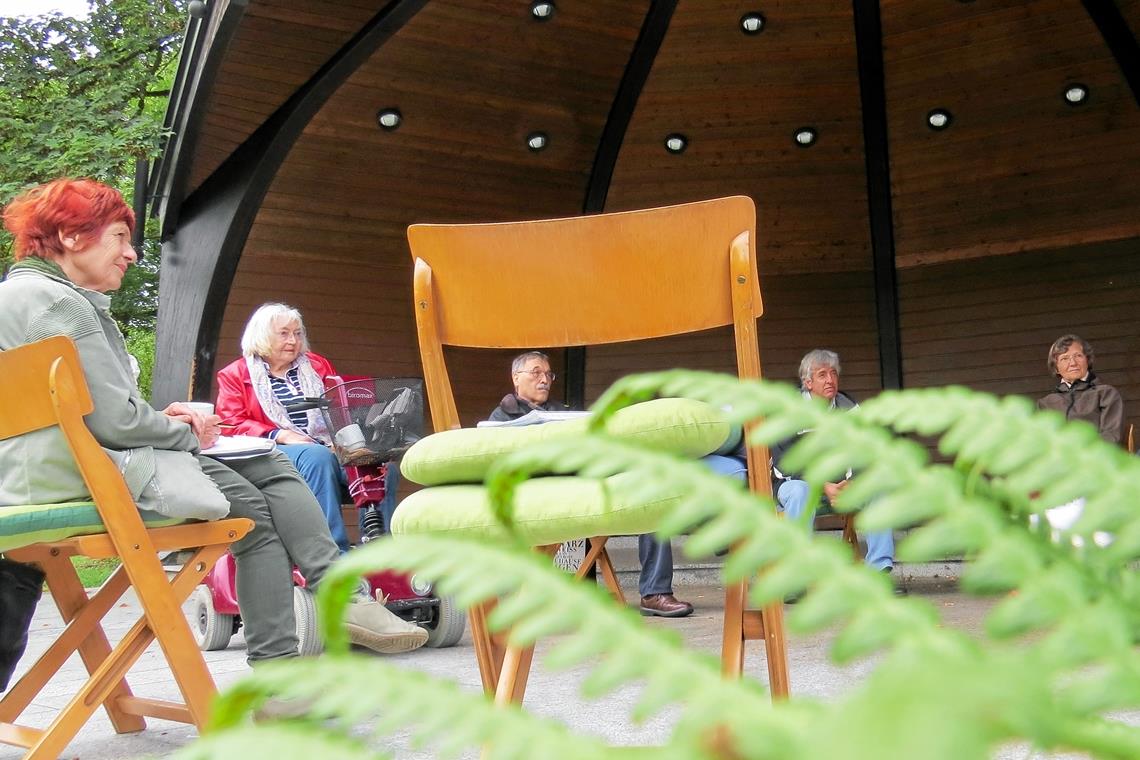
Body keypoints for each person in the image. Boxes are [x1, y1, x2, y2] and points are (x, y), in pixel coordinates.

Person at [0, 178, 426, 666]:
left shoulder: (21, 298)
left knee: (270, 467)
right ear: (73, 237)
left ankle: (332, 608)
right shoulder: (60, 304)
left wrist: (160, 420)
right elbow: (115, 423)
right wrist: (188, 430)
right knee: (256, 509)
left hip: (51, 470)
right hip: (86, 479)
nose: (131, 254)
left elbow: (87, 413)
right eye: (119, 237)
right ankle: (290, 659)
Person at [490, 351, 695, 617]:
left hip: (586, 486)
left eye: (548, 374)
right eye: (536, 372)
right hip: (539, 499)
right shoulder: (499, 419)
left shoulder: (562, 414)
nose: (544, 380)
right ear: (516, 378)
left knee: (652, 495)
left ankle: (655, 593)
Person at [214, 303, 401, 553]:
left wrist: (349, 439)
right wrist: (279, 434)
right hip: (272, 451)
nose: (293, 340)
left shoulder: (318, 366)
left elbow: (339, 408)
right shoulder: (235, 374)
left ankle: (379, 551)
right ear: (261, 335)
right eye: (284, 333)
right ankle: (331, 551)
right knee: (317, 457)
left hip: (327, 446)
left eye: (297, 333)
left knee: (380, 467)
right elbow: (230, 423)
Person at [770, 349, 896, 576]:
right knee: (801, 491)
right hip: (797, 485)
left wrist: (853, 481)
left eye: (834, 374)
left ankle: (879, 570)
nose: (830, 380)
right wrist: (822, 484)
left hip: (842, 488)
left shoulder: (849, 408)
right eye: (822, 375)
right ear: (807, 382)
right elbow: (785, 462)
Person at [1037, 334, 1124, 444]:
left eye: (1078, 356)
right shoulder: (1045, 403)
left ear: (1087, 360)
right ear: (1056, 368)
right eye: (1065, 358)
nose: (1073, 363)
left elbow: (1111, 436)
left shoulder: (1106, 394)